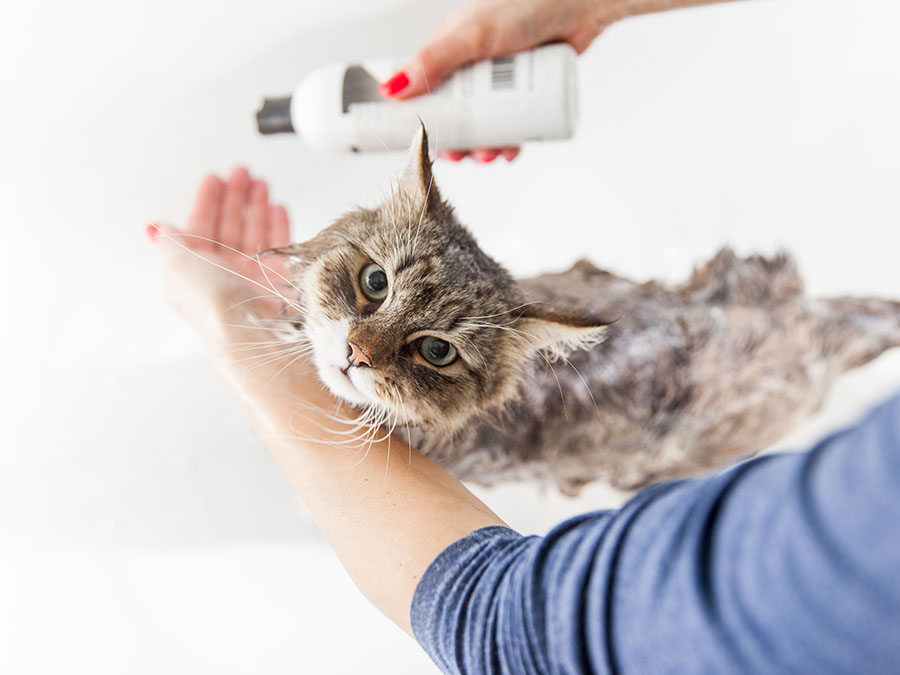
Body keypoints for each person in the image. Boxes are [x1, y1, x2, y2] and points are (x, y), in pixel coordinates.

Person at [147, 0, 900, 672]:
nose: (362, 352)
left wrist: (235, 331)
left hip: (716, 398)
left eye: (431, 350)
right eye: (374, 283)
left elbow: (508, 630)